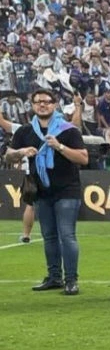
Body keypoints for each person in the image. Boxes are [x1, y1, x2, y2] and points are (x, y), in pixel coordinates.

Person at [6, 87, 88, 295]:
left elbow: (83, 158)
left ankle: (71, 280)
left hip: (67, 189)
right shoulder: (25, 131)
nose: (42, 105)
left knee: (67, 235)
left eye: (47, 101)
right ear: (32, 105)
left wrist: (59, 147)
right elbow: (8, 156)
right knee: (49, 236)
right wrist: (20, 152)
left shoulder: (67, 129)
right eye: (38, 101)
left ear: (55, 104)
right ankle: (54, 277)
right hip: (41, 190)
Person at [0, 110, 35, 243]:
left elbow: (3, 123)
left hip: (29, 173)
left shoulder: (23, 129)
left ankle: (26, 235)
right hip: (48, 172)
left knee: (30, 205)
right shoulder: (52, 129)